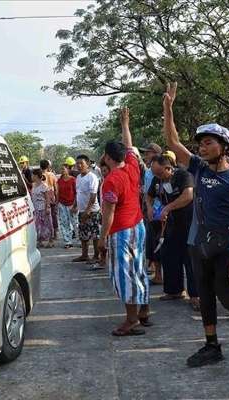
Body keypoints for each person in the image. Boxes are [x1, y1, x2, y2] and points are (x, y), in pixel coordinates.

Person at [162, 82, 229, 367]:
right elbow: (173, 143)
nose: (202, 148)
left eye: (209, 143)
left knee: (226, 295)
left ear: (224, 147)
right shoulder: (197, 167)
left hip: (227, 245)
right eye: (201, 143)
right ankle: (212, 345)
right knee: (205, 293)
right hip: (197, 244)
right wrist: (168, 109)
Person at [98, 107, 150, 335]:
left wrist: (101, 239)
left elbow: (108, 214)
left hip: (121, 231)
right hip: (138, 226)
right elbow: (130, 146)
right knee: (139, 268)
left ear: (108, 157)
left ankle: (132, 320)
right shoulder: (132, 167)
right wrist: (125, 125)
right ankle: (143, 311)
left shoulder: (111, 180)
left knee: (124, 273)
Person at [147, 152, 199, 309]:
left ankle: (195, 294)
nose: (158, 177)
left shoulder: (183, 175)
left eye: (160, 173)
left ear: (168, 168)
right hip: (170, 225)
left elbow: (188, 195)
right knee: (169, 255)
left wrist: (168, 207)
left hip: (189, 223)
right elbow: (148, 195)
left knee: (190, 260)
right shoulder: (158, 179)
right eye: (155, 174)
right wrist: (149, 208)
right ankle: (174, 290)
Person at [140, 142, 164, 285]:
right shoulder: (148, 171)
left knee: (159, 244)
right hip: (150, 211)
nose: (146, 156)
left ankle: (160, 275)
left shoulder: (161, 170)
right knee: (152, 243)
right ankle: (157, 273)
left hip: (160, 212)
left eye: (148, 153)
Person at [72, 154, 101, 263]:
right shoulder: (78, 178)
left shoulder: (92, 177)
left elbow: (93, 196)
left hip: (92, 211)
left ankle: (96, 255)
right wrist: (74, 206)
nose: (79, 166)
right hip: (82, 210)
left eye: (81, 163)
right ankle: (84, 255)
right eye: (77, 163)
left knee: (95, 234)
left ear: (87, 164)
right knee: (83, 234)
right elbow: (78, 193)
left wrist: (88, 211)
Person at [31, 168, 54, 248]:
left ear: (36, 176)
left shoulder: (44, 186)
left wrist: (47, 207)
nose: (32, 176)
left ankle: (51, 240)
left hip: (43, 208)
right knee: (38, 225)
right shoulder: (33, 185)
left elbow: (47, 197)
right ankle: (40, 241)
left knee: (48, 225)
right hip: (36, 209)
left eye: (33, 175)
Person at [57, 164, 77, 249]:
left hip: (72, 203)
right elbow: (57, 192)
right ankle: (67, 241)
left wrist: (76, 205)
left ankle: (81, 240)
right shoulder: (59, 181)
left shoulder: (73, 180)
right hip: (62, 204)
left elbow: (77, 192)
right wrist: (57, 202)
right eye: (61, 169)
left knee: (75, 223)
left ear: (68, 170)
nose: (62, 171)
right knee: (64, 223)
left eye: (64, 169)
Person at [41, 159, 59, 240]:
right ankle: (55, 233)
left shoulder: (40, 175)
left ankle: (47, 234)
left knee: (45, 216)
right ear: (48, 166)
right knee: (54, 215)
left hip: (43, 198)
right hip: (52, 197)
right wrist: (56, 198)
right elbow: (56, 187)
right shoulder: (52, 175)